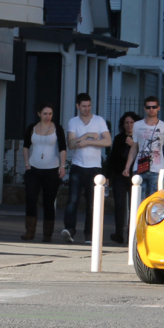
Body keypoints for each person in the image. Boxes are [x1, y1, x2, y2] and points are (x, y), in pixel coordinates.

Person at [62, 92, 111, 244]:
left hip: (94, 168)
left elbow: (108, 141)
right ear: (78, 106)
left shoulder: (99, 120)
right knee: (73, 200)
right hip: (77, 166)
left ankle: (89, 234)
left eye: (89, 106)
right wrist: (87, 135)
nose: (87, 109)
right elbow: (71, 144)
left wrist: (88, 142)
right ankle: (69, 230)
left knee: (92, 202)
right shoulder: (73, 122)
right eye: (83, 106)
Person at [20, 103, 66, 243]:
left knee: (49, 201)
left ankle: (47, 234)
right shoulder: (31, 128)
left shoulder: (57, 128)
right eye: (45, 113)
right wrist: (27, 164)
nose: (48, 116)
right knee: (31, 199)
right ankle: (30, 231)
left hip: (52, 169)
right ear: (39, 113)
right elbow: (26, 146)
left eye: (50, 114)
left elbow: (62, 148)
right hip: (33, 168)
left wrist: (62, 166)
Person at [122, 96, 164, 204]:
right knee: (139, 200)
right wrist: (127, 167)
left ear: (158, 108)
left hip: (157, 169)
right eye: (148, 107)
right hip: (140, 167)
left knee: (154, 201)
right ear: (145, 108)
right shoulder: (137, 125)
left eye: (154, 107)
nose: (151, 109)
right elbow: (134, 147)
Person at [105, 111, 139, 243]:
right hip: (119, 175)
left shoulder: (139, 138)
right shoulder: (119, 138)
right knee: (119, 205)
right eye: (127, 123)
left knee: (134, 205)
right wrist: (108, 175)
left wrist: (133, 145)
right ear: (123, 125)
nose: (129, 125)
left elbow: (144, 155)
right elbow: (112, 157)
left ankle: (132, 234)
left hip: (135, 176)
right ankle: (119, 233)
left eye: (132, 122)